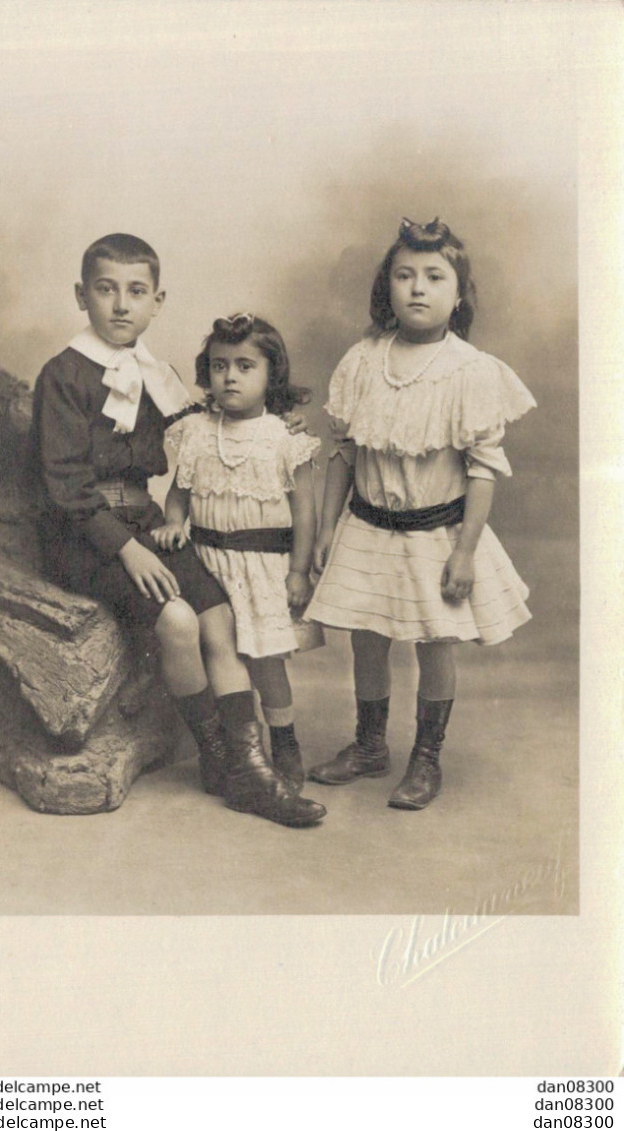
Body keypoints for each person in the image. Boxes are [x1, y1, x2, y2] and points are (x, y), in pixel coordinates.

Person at [30, 233, 325, 829]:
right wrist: (126, 549)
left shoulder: (153, 373)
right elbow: (64, 486)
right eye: (106, 289)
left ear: (156, 301)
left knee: (218, 615)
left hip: (144, 525)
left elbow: (214, 416)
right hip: (84, 535)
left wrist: (272, 418)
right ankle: (219, 757)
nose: (120, 305)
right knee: (179, 618)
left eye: (136, 292)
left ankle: (247, 771)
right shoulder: (63, 374)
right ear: (80, 295)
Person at [304, 217, 536, 810]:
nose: (418, 287)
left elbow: (483, 469)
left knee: (435, 641)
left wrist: (464, 552)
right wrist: (329, 527)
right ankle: (369, 746)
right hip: (367, 526)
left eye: (435, 277)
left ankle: (426, 758)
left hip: (438, 532)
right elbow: (344, 455)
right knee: (366, 640)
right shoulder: (363, 360)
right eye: (404, 275)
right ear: (388, 288)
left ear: (458, 295)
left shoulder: (470, 371)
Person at [152, 313, 321, 793]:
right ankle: (239, 750)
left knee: (266, 662)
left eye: (246, 366)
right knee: (218, 653)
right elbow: (179, 492)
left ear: (272, 375)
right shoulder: (197, 431)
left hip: (263, 566)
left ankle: (284, 739)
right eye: (221, 365)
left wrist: (299, 571)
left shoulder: (286, 438)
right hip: (207, 561)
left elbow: (304, 513)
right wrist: (172, 523)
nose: (231, 376)